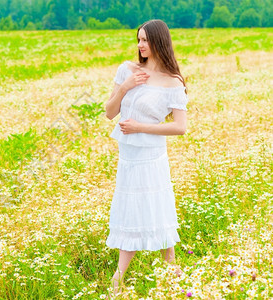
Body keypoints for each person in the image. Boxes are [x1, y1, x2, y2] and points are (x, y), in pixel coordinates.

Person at [104, 19, 188, 298]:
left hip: (152, 154)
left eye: (145, 40)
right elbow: (109, 112)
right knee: (130, 206)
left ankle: (171, 268)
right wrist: (125, 87)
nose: (140, 45)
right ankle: (120, 276)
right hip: (129, 155)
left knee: (156, 204)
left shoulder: (172, 81)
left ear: (159, 42)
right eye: (138, 39)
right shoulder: (127, 70)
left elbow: (179, 127)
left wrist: (140, 127)